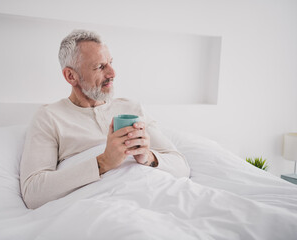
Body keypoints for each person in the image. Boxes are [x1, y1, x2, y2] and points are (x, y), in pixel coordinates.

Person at [20, 29, 190, 209]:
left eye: (110, 63)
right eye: (100, 67)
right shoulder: (50, 117)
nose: (112, 73)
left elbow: (182, 167)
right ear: (71, 76)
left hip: (153, 197)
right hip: (101, 206)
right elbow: (33, 193)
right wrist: (104, 162)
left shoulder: (131, 109)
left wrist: (147, 157)